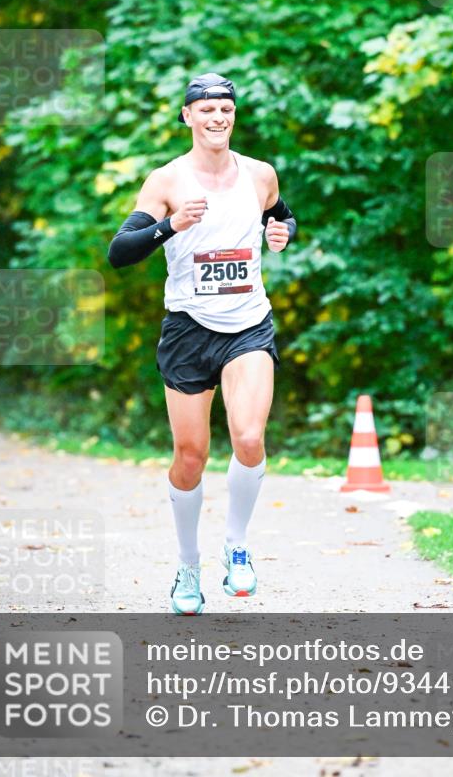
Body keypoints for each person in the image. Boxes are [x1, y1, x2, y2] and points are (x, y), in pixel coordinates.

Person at [107, 72, 296, 614]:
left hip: (247, 325)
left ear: (234, 116)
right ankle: (187, 566)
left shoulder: (260, 175)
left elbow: (281, 218)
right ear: (187, 116)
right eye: (207, 109)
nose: (218, 117)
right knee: (190, 457)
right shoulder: (166, 181)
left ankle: (236, 546)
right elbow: (120, 251)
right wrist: (170, 228)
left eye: (226, 109)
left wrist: (285, 233)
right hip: (189, 329)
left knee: (250, 436)